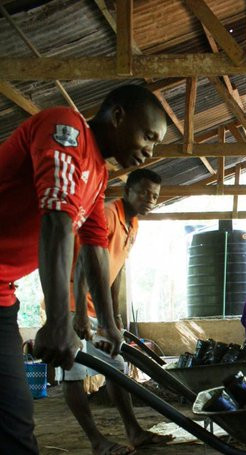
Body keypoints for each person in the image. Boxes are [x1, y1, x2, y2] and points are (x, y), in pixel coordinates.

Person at [0, 84, 167, 453]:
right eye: (148, 136)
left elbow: (94, 249)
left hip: (3, 296)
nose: (149, 152)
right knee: (13, 421)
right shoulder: (66, 129)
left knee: (15, 419)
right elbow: (57, 221)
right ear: (118, 116)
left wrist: (108, 323)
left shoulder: (98, 175)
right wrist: (59, 320)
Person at [64, 169, 171, 455]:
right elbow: (84, 261)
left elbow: (116, 268)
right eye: (144, 193)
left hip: (98, 307)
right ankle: (97, 441)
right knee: (73, 372)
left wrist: (113, 314)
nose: (150, 199)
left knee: (115, 365)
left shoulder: (133, 223)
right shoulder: (108, 214)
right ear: (127, 191)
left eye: (155, 196)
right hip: (71, 304)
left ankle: (134, 431)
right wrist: (79, 312)